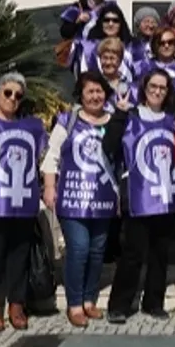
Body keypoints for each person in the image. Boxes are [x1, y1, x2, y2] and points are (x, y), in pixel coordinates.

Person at [103, 69, 175, 323]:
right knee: (132, 253)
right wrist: (119, 114)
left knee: (160, 253)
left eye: (162, 87)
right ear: (144, 89)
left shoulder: (173, 120)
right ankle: (119, 305)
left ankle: (154, 303)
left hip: (166, 197)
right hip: (138, 197)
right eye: (153, 86)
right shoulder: (130, 116)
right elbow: (108, 147)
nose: (157, 91)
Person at [0, 73, 47, 333]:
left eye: (18, 95)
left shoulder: (30, 127)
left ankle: (17, 303)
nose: (12, 98)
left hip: (23, 201)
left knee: (19, 255)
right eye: (7, 93)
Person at [42, 72, 118, 328]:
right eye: (90, 91)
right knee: (79, 248)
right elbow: (52, 156)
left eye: (99, 91)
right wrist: (49, 187)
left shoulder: (113, 121)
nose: (96, 96)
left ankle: (89, 299)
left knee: (97, 252)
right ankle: (74, 304)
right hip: (73, 198)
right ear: (81, 95)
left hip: (103, 198)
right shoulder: (68, 120)